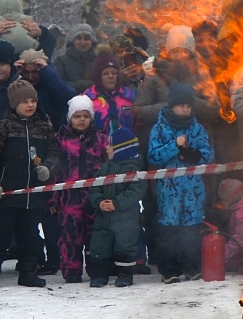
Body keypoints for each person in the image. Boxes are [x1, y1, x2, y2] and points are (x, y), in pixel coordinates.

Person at [0, 80, 59, 290]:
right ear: (15, 103)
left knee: (31, 234)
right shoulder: (3, 126)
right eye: (25, 101)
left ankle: (28, 271)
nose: (30, 105)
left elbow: (54, 151)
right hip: (9, 192)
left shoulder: (44, 125)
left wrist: (48, 169)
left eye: (33, 100)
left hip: (34, 194)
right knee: (3, 232)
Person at [146, 83, 215, 283]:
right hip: (169, 191)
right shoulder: (159, 128)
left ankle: (192, 267)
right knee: (169, 230)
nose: (186, 109)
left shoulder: (197, 128)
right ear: (172, 105)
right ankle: (169, 269)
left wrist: (195, 154)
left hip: (193, 189)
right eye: (181, 105)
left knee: (192, 230)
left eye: (188, 106)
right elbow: (154, 155)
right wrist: (174, 147)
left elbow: (209, 154)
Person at [50, 95, 109, 284]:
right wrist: (53, 198)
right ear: (70, 118)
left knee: (95, 234)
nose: (81, 120)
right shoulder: (61, 139)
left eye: (85, 116)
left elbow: (109, 166)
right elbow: (55, 172)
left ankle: (96, 268)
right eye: (77, 116)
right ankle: (71, 270)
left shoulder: (100, 138)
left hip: (94, 196)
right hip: (69, 197)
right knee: (70, 235)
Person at [86, 143, 145, 288]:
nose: (106, 148)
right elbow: (95, 187)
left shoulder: (134, 169)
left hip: (126, 219)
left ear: (121, 148)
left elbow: (135, 191)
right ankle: (99, 275)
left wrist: (117, 203)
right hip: (103, 217)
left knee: (125, 246)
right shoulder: (104, 168)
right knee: (100, 246)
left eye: (111, 146)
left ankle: (125, 274)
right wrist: (99, 202)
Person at [53, 24, 100, 93]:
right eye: (79, 38)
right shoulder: (60, 62)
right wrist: (84, 85)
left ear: (92, 42)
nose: (83, 42)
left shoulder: (100, 61)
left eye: (86, 39)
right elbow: (58, 84)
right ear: (72, 41)